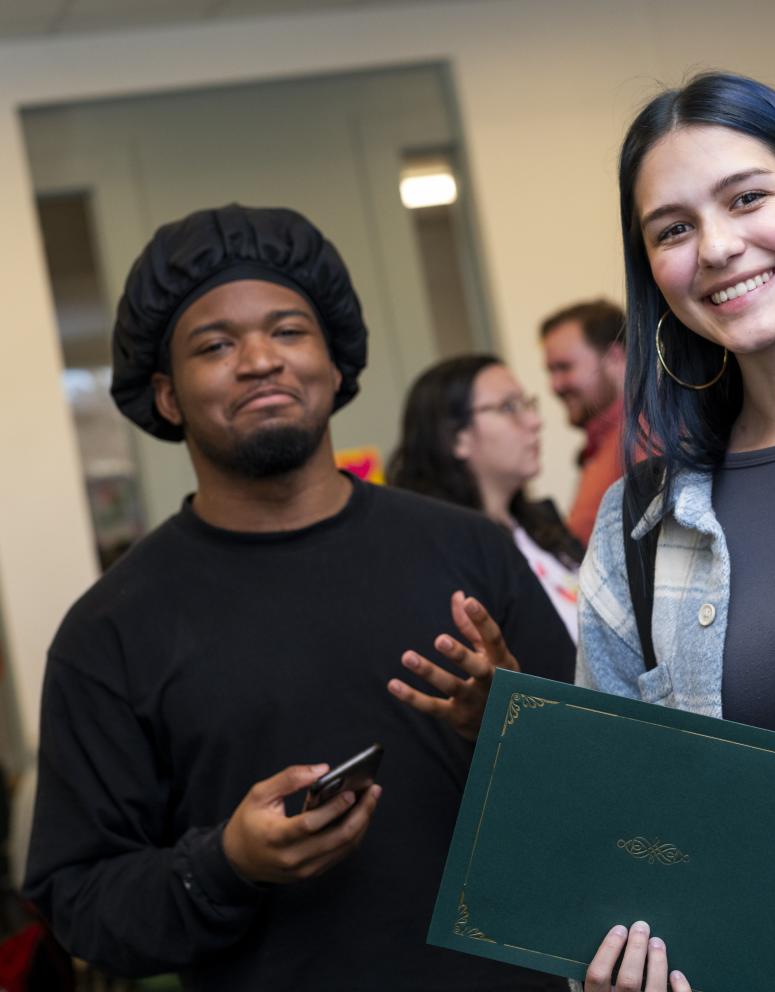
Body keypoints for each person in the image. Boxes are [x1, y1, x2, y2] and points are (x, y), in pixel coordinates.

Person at [402, 72, 775, 991]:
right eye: (672, 229)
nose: (717, 247)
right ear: (653, 275)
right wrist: (599, 959)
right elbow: (620, 834)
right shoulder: (639, 526)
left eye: (748, 198)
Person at [23, 204, 574, 991]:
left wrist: (514, 728)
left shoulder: (472, 551)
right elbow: (79, 902)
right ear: (168, 396)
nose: (259, 360)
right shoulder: (111, 630)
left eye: (288, 331)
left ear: (333, 361)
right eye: (215, 345)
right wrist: (225, 865)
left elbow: (603, 799)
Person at [388, 354, 583, 642]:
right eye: (509, 407)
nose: (534, 421)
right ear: (456, 438)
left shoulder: (543, 521)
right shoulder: (444, 556)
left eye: (528, 404)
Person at [539, 300, 627, 546]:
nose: (555, 386)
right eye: (550, 371)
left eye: (564, 367)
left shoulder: (647, 436)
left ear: (614, 358)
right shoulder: (605, 444)